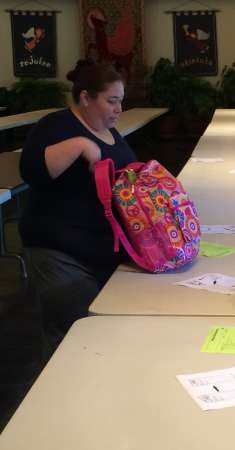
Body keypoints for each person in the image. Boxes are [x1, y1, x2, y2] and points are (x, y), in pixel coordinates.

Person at [20, 59, 136, 354]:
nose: (118, 110)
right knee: (72, 339)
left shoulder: (113, 133)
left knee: (97, 337)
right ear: (86, 97)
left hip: (101, 253)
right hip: (62, 254)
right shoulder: (56, 126)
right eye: (112, 101)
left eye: (120, 102)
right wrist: (78, 146)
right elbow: (32, 170)